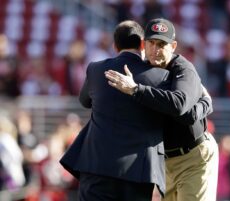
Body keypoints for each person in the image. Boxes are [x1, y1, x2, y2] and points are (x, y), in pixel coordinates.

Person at [60, 20, 202, 201]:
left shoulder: (95, 69)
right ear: (143, 44)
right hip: (138, 172)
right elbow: (179, 108)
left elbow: (84, 101)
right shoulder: (161, 76)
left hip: (96, 165)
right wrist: (205, 103)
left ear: (114, 45)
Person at [105, 18, 219, 201]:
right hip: (164, 163)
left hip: (193, 156)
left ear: (173, 46)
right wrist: (206, 104)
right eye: (151, 43)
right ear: (143, 44)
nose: (155, 49)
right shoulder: (141, 70)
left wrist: (135, 90)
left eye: (161, 44)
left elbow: (180, 107)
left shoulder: (183, 68)